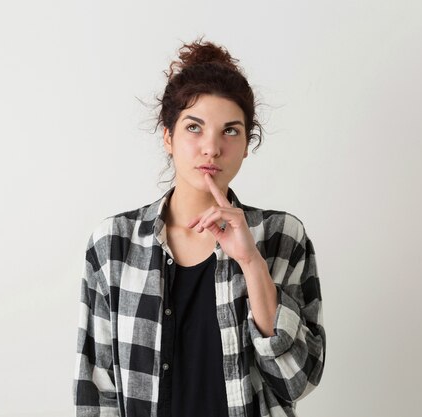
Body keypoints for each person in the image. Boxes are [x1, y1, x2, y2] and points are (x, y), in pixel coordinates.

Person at [73, 39, 325, 417]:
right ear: (168, 137)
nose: (211, 148)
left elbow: (297, 381)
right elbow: (97, 389)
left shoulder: (281, 236)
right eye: (194, 127)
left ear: (246, 146)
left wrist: (251, 262)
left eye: (230, 131)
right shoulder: (113, 245)